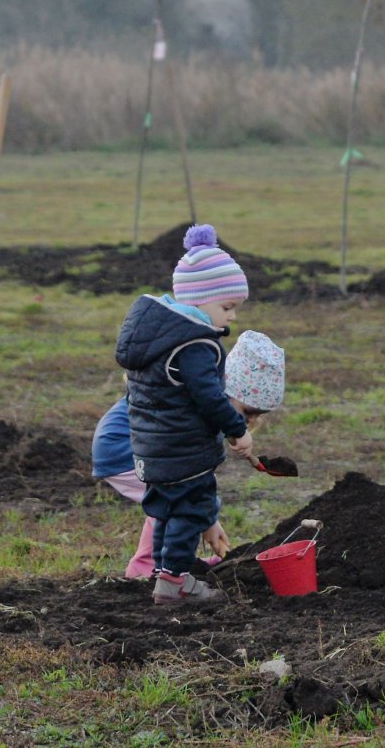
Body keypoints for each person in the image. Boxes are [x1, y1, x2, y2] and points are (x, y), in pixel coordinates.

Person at [113, 225, 255, 606]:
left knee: (168, 511)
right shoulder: (194, 344)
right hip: (183, 450)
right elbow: (209, 397)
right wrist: (237, 429)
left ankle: (165, 572)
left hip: (151, 449)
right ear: (199, 300)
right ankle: (175, 582)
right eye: (227, 308)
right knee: (191, 511)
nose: (232, 318)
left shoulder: (158, 339)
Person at [91, 331, 286, 578]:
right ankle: (149, 567)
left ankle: (168, 562)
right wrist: (207, 518)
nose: (252, 420)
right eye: (249, 410)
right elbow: (188, 483)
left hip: (131, 448)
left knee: (172, 499)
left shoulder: (202, 400)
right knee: (176, 500)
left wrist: (207, 516)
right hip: (122, 450)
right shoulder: (198, 407)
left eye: (260, 414)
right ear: (225, 391)